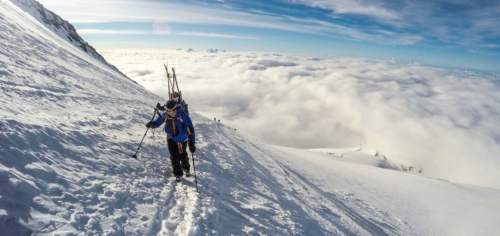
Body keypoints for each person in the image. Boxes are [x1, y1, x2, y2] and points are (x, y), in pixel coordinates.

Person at [147, 99, 196, 182]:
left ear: (175, 108)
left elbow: (190, 129)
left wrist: (192, 143)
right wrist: (152, 124)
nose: (168, 112)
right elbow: (159, 120)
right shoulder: (166, 114)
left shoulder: (183, 115)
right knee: (174, 157)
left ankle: (186, 169)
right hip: (171, 138)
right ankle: (178, 174)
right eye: (167, 110)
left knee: (183, 155)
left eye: (170, 110)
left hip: (182, 139)